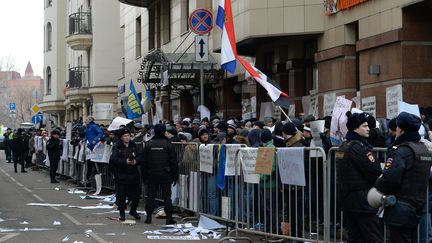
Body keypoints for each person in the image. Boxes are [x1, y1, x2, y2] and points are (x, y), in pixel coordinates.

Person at [375, 112, 432, 243]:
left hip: (400, 209)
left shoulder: (401, 151)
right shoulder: (424, 150)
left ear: (400, 129)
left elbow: (389, 179)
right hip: (419, 206)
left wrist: (377, 184)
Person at [337, 111, 383, 243]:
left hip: (349, 198)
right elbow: (374, 170)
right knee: (373, 237)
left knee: (356, 237)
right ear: (355, 128)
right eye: (364, 126)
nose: (368, 129)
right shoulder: (358, 147)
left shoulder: (344, 146)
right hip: (361, 200)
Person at [142, 124, 178, 224]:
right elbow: (173, 162)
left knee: (150, 196)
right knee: (167, 197)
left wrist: (144, 176)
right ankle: (169, 218)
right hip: (165, 174)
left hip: (151, 174)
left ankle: (148, 217)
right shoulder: (168, 144)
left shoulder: (148, 144)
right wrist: (175, 176)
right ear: (164, 131)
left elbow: (144, 162)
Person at [109, 128, 142, 221]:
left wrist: (136, 161)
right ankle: (122, 212)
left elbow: (140, 156)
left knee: (136, 194)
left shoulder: (134, 145)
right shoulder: (117, 147)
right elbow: (113, 159)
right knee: (122, 195)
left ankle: (133, 210)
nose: (127, 138)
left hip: (133, 173)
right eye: (125, 136)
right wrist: (125, 161)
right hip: (121, 174)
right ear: (121, 137)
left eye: (128, 136)